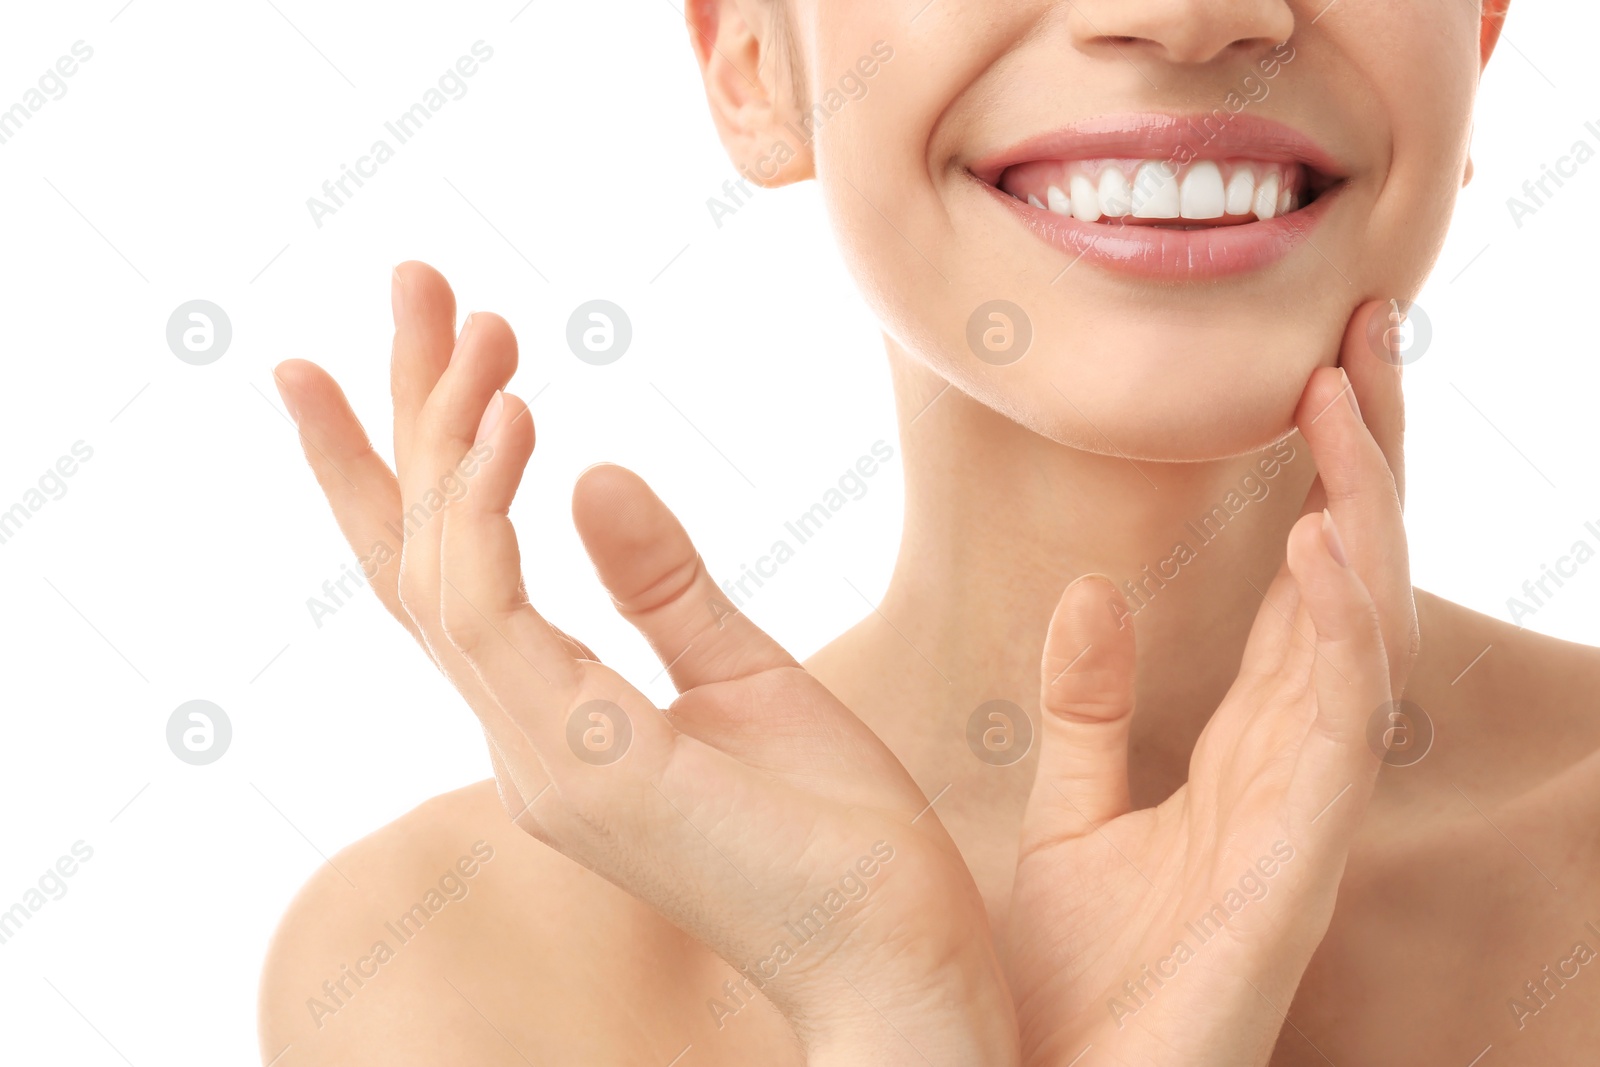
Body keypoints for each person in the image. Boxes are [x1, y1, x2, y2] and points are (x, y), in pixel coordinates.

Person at [260, 0, 1600, 1062]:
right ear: (751, 62)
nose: (1187, 14)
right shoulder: (449, 967)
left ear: (1479, 41)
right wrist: (894, 1021)